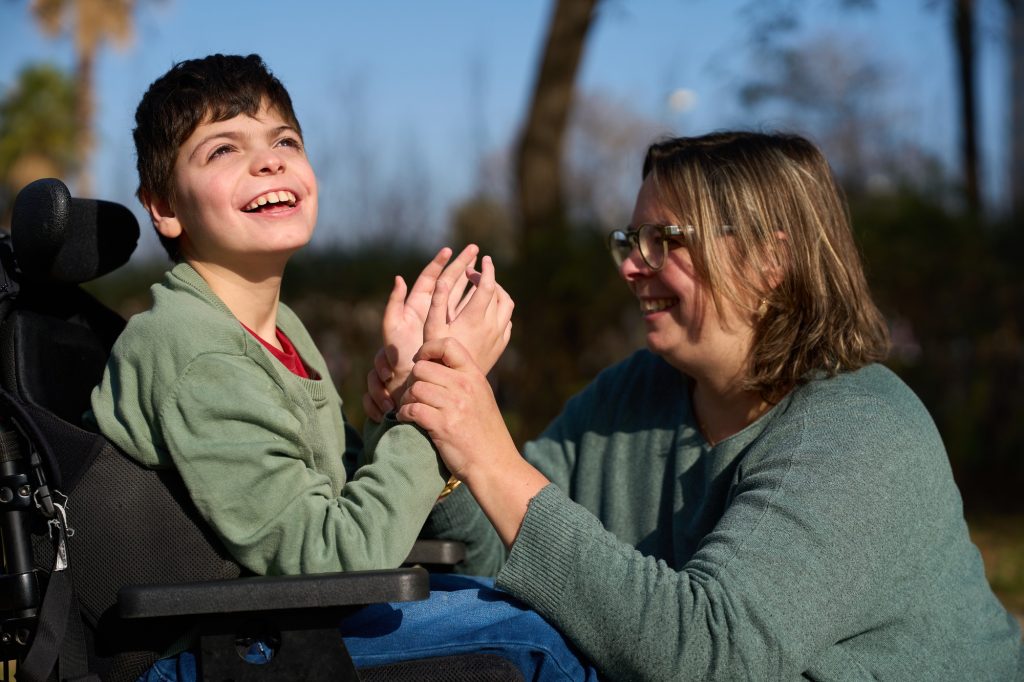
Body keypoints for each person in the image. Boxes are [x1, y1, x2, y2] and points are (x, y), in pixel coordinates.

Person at [369, 131, 1024, 679]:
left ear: (773, 258)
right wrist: (426, 415)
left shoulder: (858, 432)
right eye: (632, 240)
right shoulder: (637, 393)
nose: (632, 266)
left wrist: (492, 456)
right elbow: (506, 558)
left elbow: (712, 653)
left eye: (667, 239)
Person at [87, 54, 598, 682]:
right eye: (223, 149)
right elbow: (335, 559)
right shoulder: (191, 349)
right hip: (206, 648)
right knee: (545, 637)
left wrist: (406, 396)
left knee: (538, 602)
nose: (270, 159)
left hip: (276, 617)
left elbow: (341, 507)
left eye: (285, 141)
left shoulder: (279, 329)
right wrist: (447, 391)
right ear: (164, 206)